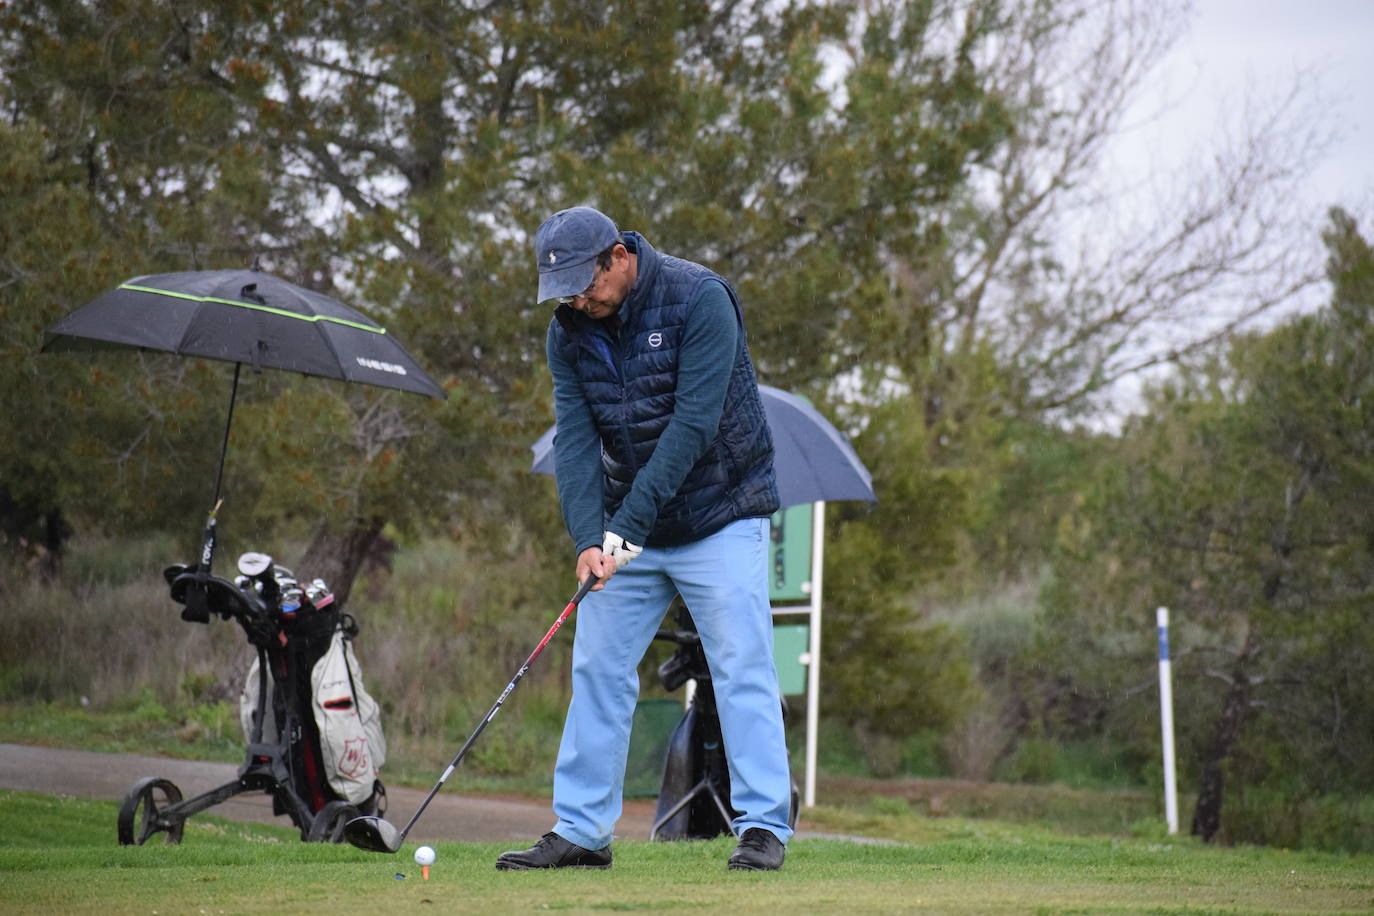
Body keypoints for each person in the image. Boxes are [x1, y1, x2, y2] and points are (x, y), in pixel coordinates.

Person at [496, 206, 792, 872]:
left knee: (740, 665)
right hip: (635, 521)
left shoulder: (701, 299)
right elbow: (574, 440)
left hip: (721, 509)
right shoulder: (569, 329)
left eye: (584, 283)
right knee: (598, 665)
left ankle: (764, 826)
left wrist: (624, 524)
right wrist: (586, 540)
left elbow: (693, 425)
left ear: (617, 257)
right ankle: (581, 829)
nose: (577, 298)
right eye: (565, 289)